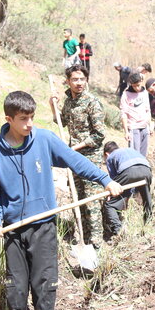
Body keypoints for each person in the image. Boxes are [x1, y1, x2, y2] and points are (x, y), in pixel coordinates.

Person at [0, 91, 122, 310]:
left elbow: (74, 160)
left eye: (32, 117)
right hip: (13, 232)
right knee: (15, 295)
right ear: (9, 119)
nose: (29, 124)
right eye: (23, 119)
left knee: (45, 292)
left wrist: (105, 180)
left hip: (44, 228)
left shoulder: (44, 139)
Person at [49, 64, 107, 247]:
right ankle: (83, 239)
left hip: (90, 157)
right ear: (68, 81)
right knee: (78, 199)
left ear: (86, 80)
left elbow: (99, 135)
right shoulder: (69, 102)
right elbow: (62, 121)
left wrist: (74, 149)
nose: (79, 83)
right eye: (75, 79)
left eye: (82, 79)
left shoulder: (92, 102)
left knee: (92, 201)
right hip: (73, 159)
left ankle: (97, 243)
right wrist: (53, 106)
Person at [102, 141, 152, 237]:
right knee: (146, 199)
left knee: (109, 205)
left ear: (106, 154)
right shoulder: (129, 150)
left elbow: (114, 184)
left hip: (128, 172)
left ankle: (118, 231)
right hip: (147, 170)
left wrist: (111, 196)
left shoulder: (110, 157)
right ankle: (148, 224)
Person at [120, 72, 151, 156]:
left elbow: (148, 110)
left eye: (138, 85)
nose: (136, 88)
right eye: (134, 86)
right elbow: (124, 114)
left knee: (143, 155)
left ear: (141, 82)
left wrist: (149, 126)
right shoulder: (126, 94)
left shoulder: (145, 93)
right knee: (134, 154)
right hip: (134, 128)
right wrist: (126, 131)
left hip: (144, 127)